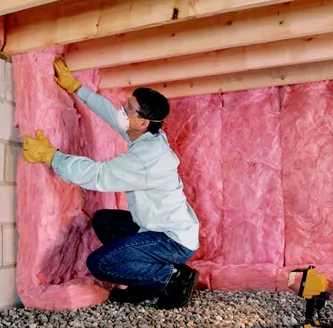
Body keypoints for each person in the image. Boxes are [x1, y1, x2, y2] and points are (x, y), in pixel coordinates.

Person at [21, 58, 200, 310]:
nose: (121, 109)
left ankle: (173, 277)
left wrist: (52, 156)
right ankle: (144, 284)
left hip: (171, 241)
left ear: (142, 122)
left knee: (100, 264)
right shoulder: (148, 134)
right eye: (126, 103)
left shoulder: (145, 160)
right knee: (104, 220)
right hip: (157, 227)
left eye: (128, 108)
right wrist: (76, 88)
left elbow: (97, 175)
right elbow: (111, 116)